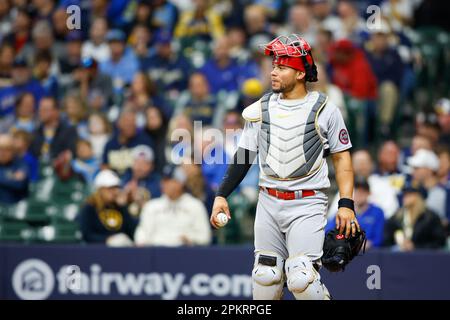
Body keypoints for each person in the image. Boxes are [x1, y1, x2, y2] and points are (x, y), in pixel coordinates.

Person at [210, 34, 359, 300]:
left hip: (307, 201)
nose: (273, 71)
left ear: (300, 73)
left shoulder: (325, 108)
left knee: (302, 277)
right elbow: (244, 155)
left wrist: (346, 203)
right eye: (274, 65)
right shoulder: (261, 107)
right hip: (268, 200)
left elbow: (342, 157)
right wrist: (222, 194)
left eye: (281, 66)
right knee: (265, 277)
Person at [134, 164, 212, 247]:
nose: (164, 184)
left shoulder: (195, 205)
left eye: (169, 181)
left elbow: (205, 237)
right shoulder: (152, 206)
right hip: (156, 253)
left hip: (185, 253)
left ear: (181, 183)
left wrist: (191, 238)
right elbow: (141, 234)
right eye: (163, 180)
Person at [78, 169, 137, 246]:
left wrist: (124, 207)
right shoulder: (90, 207)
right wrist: (107, 240)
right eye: (110, 188)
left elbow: (132, 232)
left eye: (116, 188)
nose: (114, 191)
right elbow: (86, 235)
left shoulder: (119, 207)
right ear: (100, 189)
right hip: (98, 250)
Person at [383, 181, 446, 251]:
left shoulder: (430, 217)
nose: (405, 197)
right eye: (405, 194)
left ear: (419, 197)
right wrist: (398, 245)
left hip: (423, 257)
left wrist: (416, 246)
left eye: (409, 194)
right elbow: (386, 238)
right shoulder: (397, 217)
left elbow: (439, 241)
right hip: (399, 255)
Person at [326, 176, 385, 249]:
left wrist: (366, 244)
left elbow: (379, 238)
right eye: (357, 191)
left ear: (369, 193)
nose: (359, 194)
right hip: (346, 250)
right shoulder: (345, 211)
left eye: (363, 191)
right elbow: (328, 231)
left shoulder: (377, 212)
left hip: (369, 252)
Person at [0, 133, 29, 204]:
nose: (2, 153)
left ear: (13, 150)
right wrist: (9, 177)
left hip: (14, 208)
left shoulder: (21, 164)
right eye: (0, 149)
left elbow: (19, 184)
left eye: (7, 149)